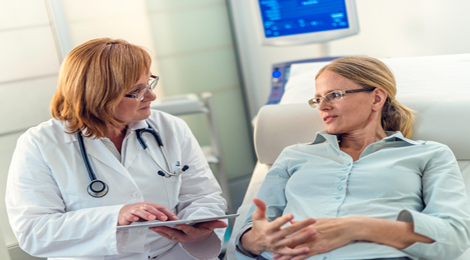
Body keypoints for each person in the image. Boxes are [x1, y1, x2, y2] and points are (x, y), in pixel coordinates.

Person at [6, 38, 228, 260]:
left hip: (174, 254)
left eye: (149, 83)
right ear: (98, 95)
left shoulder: (170, 127)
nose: (151, 96)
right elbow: (33, 231)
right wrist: (116, 217)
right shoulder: (40, 144)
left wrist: (199, 226)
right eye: (136, 90)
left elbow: (202, 194)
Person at [235, 56, 470, 260]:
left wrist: (358, 227)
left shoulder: (429, 154)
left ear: (377, 99)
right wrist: (256, 240)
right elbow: (248, 236)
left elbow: (454, 236)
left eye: (334, 95)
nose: (323, 107)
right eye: (318, 99)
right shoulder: (293, 155)